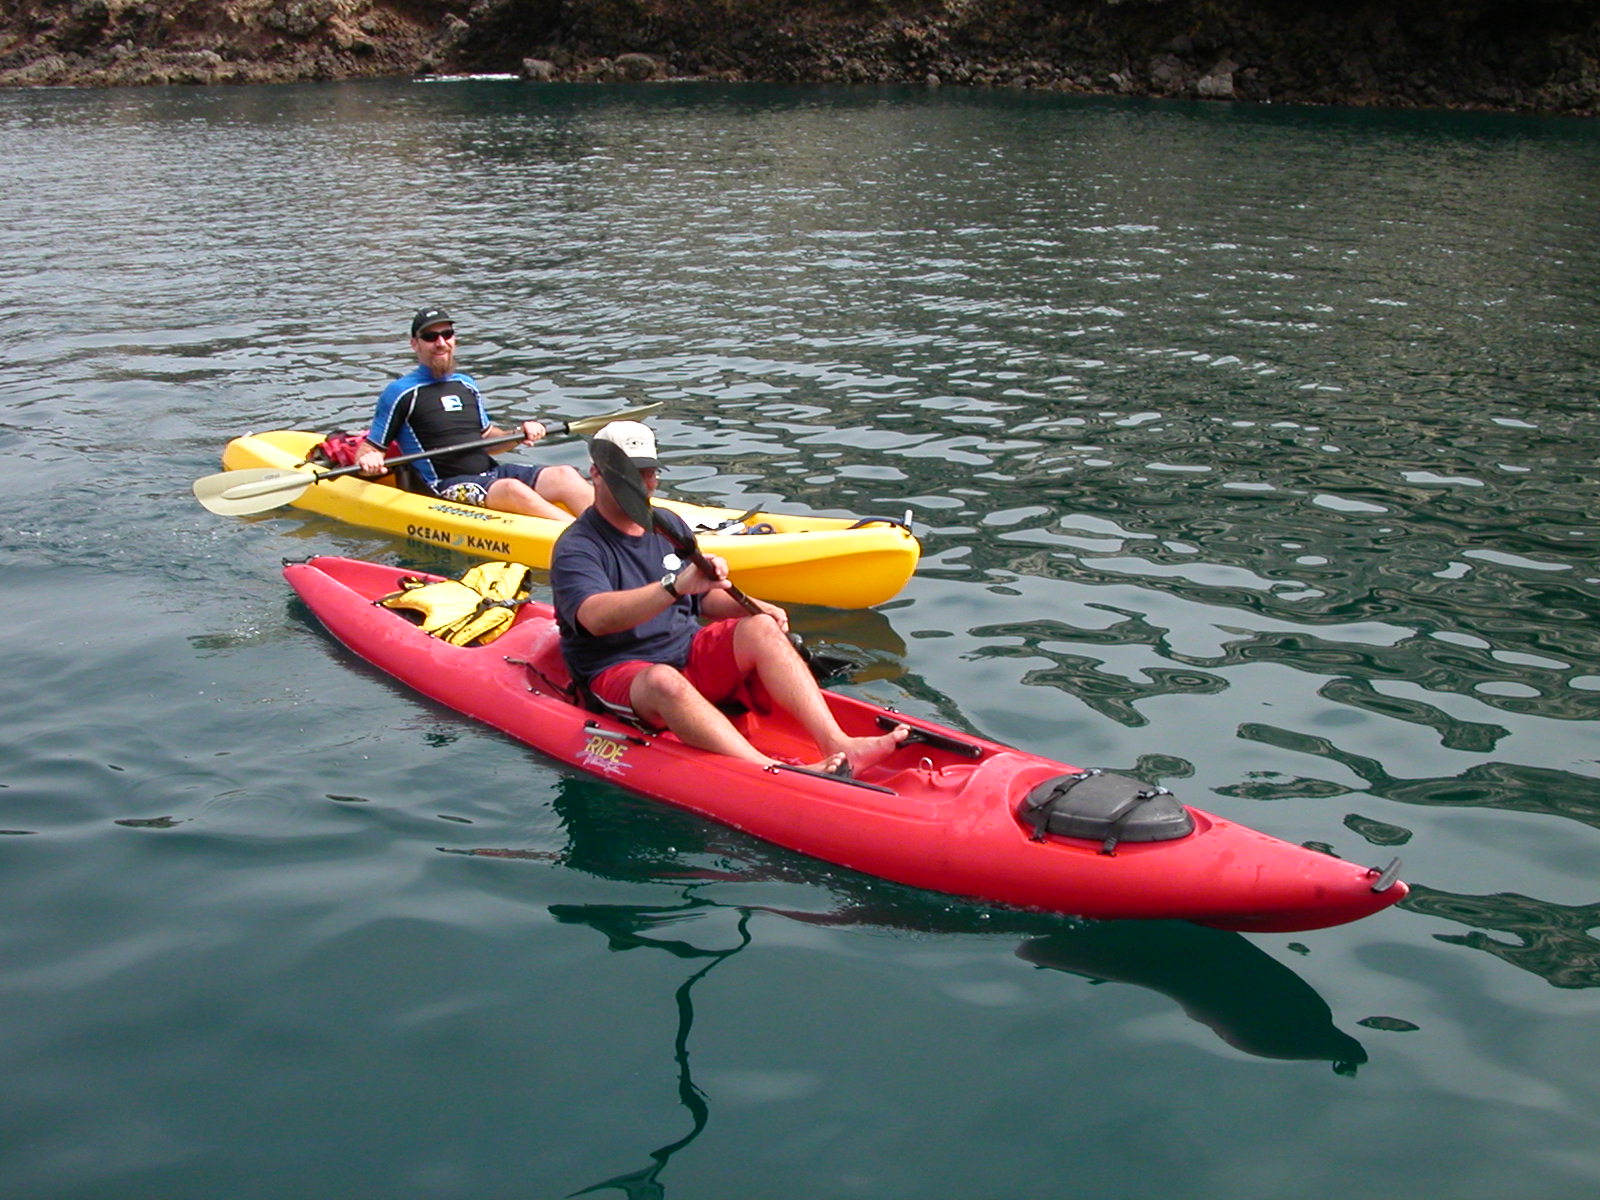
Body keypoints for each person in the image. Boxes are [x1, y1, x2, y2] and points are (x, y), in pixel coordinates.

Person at [550, 421, 908, 776]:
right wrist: (673, 586)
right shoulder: (578, 547)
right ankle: (771, 771)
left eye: (649, 472)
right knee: (663, 680)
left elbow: (701, 599)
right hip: (619, 672)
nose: (643, 483)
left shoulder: (666, 523)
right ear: (596, 474)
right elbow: (595, 618)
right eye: (632, 473)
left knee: (761, 627)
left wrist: (756, 607)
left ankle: (838, 742)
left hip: (683, 652)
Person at [355, 307, 592, 521]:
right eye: (430, 337)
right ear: (415, 344)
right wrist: (368, 459)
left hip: (490, 473)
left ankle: (611, 532)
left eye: (447, 334)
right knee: (512, 489)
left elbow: (487, 439)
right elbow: (371, 448)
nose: (441, 343)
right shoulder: (401, 392)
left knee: (565, 474)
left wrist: (519, 433)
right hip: (442, 486)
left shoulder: (465, 384)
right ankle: (584, 541)